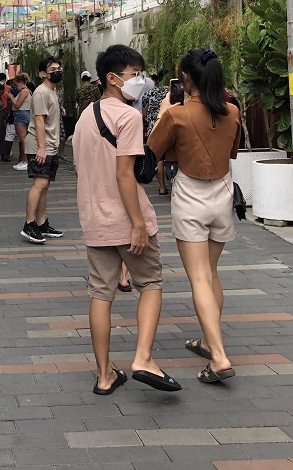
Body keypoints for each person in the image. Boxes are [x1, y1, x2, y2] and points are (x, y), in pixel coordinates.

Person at [73, 44, 181, 395]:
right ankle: (143, 359)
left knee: (100, 295)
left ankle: (105, 375)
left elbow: (79, 168)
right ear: (113, 78)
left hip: (94, 220)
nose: (142, 81)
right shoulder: (128, 117)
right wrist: (137, 223)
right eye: (136, 75)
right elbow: (124, 175)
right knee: (150, 284)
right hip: (126, 218)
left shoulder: (86, 116)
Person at [147, 48, 241, 384]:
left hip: (190, 196)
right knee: (212, 274)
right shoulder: (232, 112)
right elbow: (231, 151)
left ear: (186, 79)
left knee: (199, 278)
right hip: (223, 194)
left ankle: (218, 357)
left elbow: (151, 151)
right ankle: (207, 341)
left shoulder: (177, 114)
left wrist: (164, 113)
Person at [21, 58, 65, 244]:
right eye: (52, 69)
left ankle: (41, 222)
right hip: (41, 145)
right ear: (42, 73)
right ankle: (29, 225)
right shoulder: (40, 93)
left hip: (49, 145)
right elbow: (39, 120)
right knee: (39, 184)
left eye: (59, 68)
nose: (57, 71)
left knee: (45, 185)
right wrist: (41, 148)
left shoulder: (51, 91)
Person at [142, 73, 171, 195]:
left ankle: (162, 187)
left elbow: (144, 114)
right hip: (170, 126)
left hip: (153, 129)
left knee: (158, 158)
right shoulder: (169, 91)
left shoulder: (148, 93)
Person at [10, 73, 33, 170]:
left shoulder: (24, 91)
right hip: (25, 114)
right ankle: (25, 160)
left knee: (22, 139)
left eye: (15, 84)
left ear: (20, 82)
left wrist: (11, 98)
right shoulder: (28, 91)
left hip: (21, 114)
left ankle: (25, 161)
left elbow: (17, 105)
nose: (15, 87)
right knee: (24, 139)